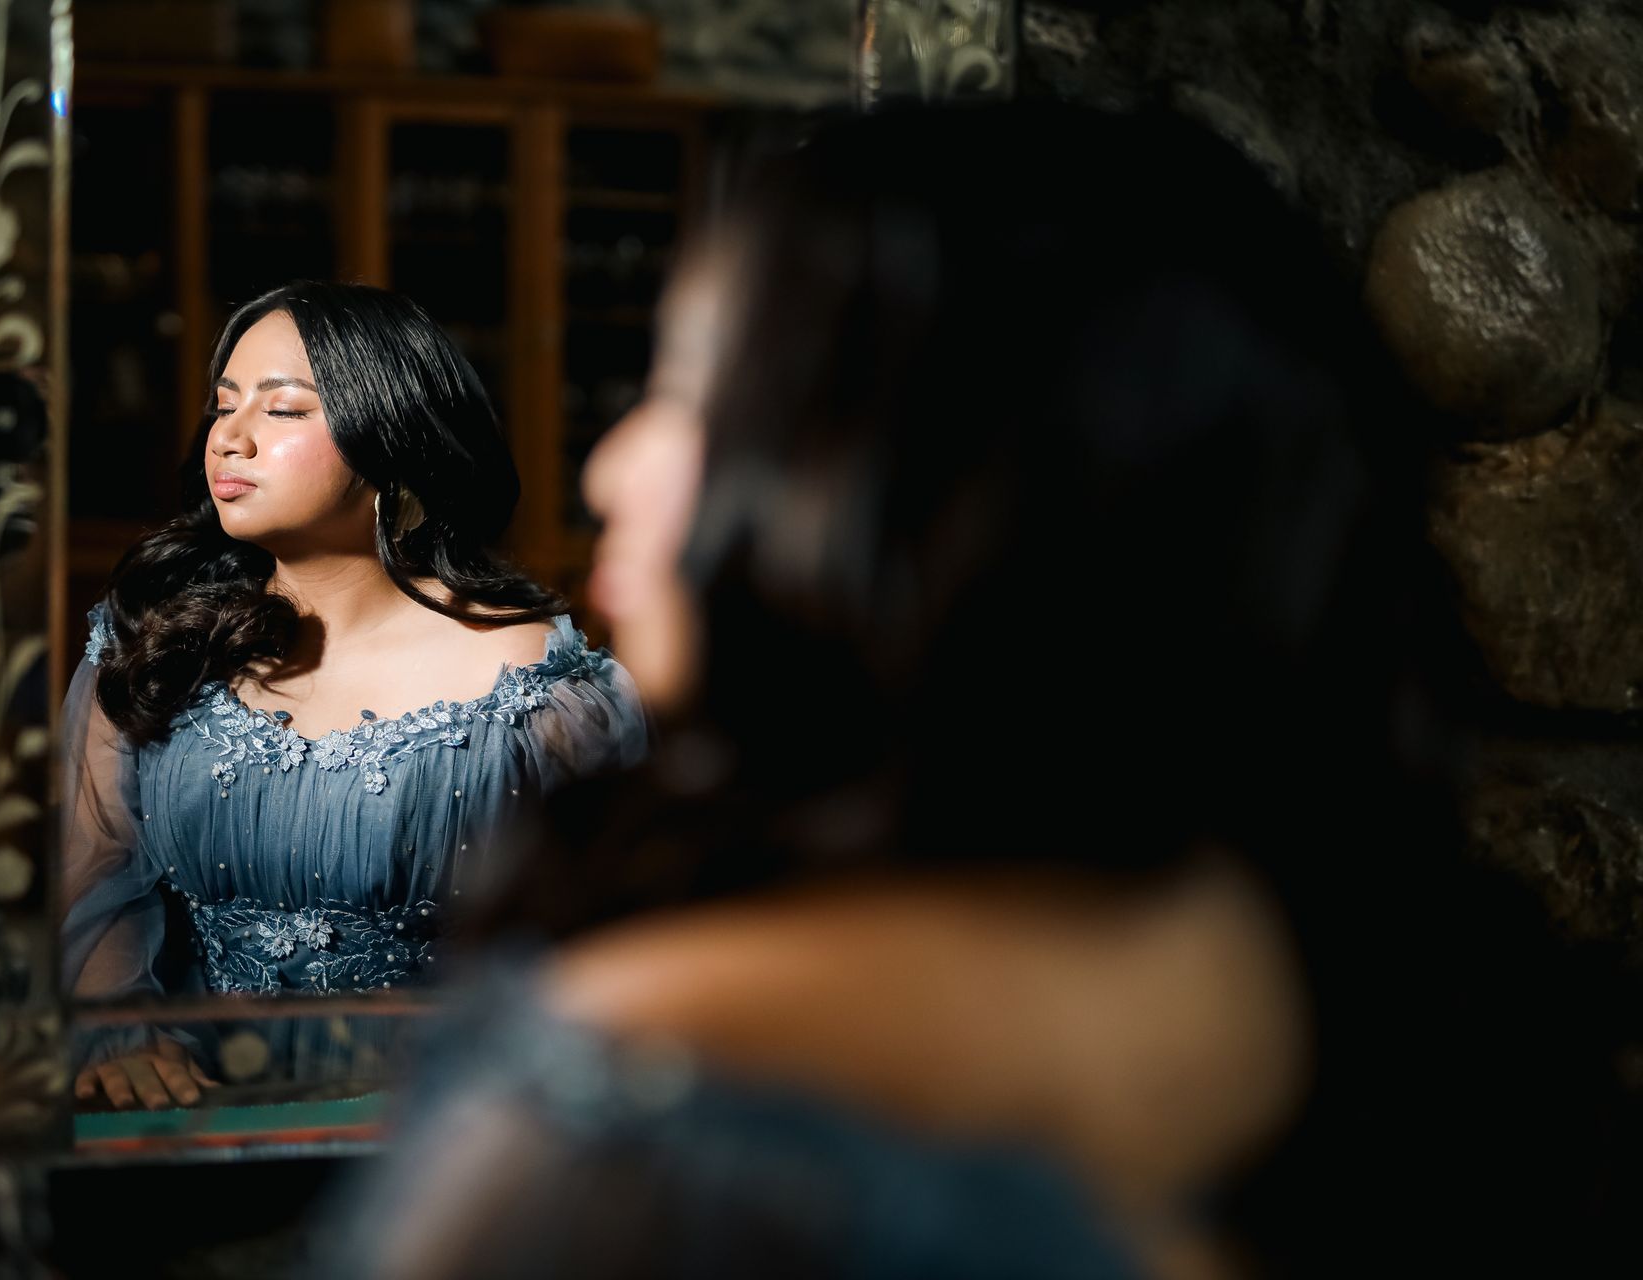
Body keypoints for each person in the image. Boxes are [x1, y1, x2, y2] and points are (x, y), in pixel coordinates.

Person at [315, 102, 1616, 1278]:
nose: (610, 468)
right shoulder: (1300, 964)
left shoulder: (638, 1097)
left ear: (935, 485)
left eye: (697, 391)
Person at [62, 281, 646, 1110]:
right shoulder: (156, 649)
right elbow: (98, 876)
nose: (229, 438)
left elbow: (608, 946)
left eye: (282, 409)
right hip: (190, 1112)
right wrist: (123, 1032)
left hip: (440, 1120)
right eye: (223, 405)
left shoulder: (539, 690)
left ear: (391, 437)